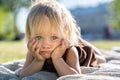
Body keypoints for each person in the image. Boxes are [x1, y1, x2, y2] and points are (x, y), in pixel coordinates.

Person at [19, 0, 106, 78]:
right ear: (30, 35)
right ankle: (79, 39)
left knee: (101, 59)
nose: (45, 44)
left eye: (54, 37)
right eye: (38, 37)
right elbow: (23, 75)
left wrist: (57, 59)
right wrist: (38, 61)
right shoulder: (34, 51)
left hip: (85, 55)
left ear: (65, 35)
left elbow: (74, 76)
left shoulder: (70, 51)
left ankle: (82, 42)